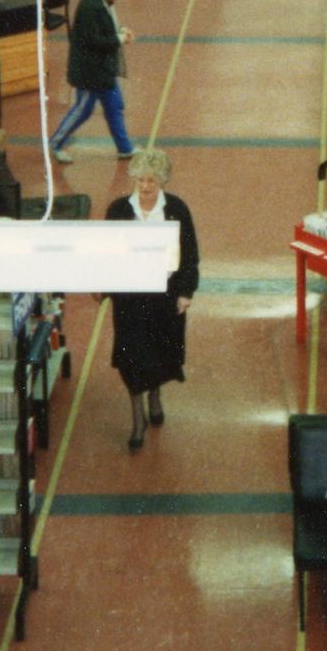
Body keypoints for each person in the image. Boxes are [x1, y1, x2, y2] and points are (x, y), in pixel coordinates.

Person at [103, 148, 200, 450]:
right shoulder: (118, 210)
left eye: (152, 182)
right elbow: (105, 253)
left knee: (157, 352)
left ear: (162, 182)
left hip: (164, 295)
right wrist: (101, 286)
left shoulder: (177, 210)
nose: (145, 188)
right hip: (129, 297)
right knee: (130, 357)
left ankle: (155, 395)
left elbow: (190, 255)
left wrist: (186, 292)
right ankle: (137, 420)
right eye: (141, 181)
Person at [50, 0, 134, 163]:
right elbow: (94, 40)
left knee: (115, 107)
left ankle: (125, 148)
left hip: (104, 70)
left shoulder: (102, 2)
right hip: (91, 72)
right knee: (82, 110)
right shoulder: (91, 7)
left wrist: (120, 31)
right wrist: (120, 38)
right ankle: (56, 143)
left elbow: (107, 27)